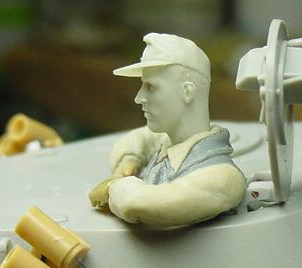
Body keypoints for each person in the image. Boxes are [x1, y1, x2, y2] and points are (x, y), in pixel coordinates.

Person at [89, 33, 245, 227]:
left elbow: (140, 203)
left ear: (187, 92)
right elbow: (138, 139)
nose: (139, 98)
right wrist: (129, 160)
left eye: (151, 87)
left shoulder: (222, 176)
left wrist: (114, 186)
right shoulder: (168, 143)